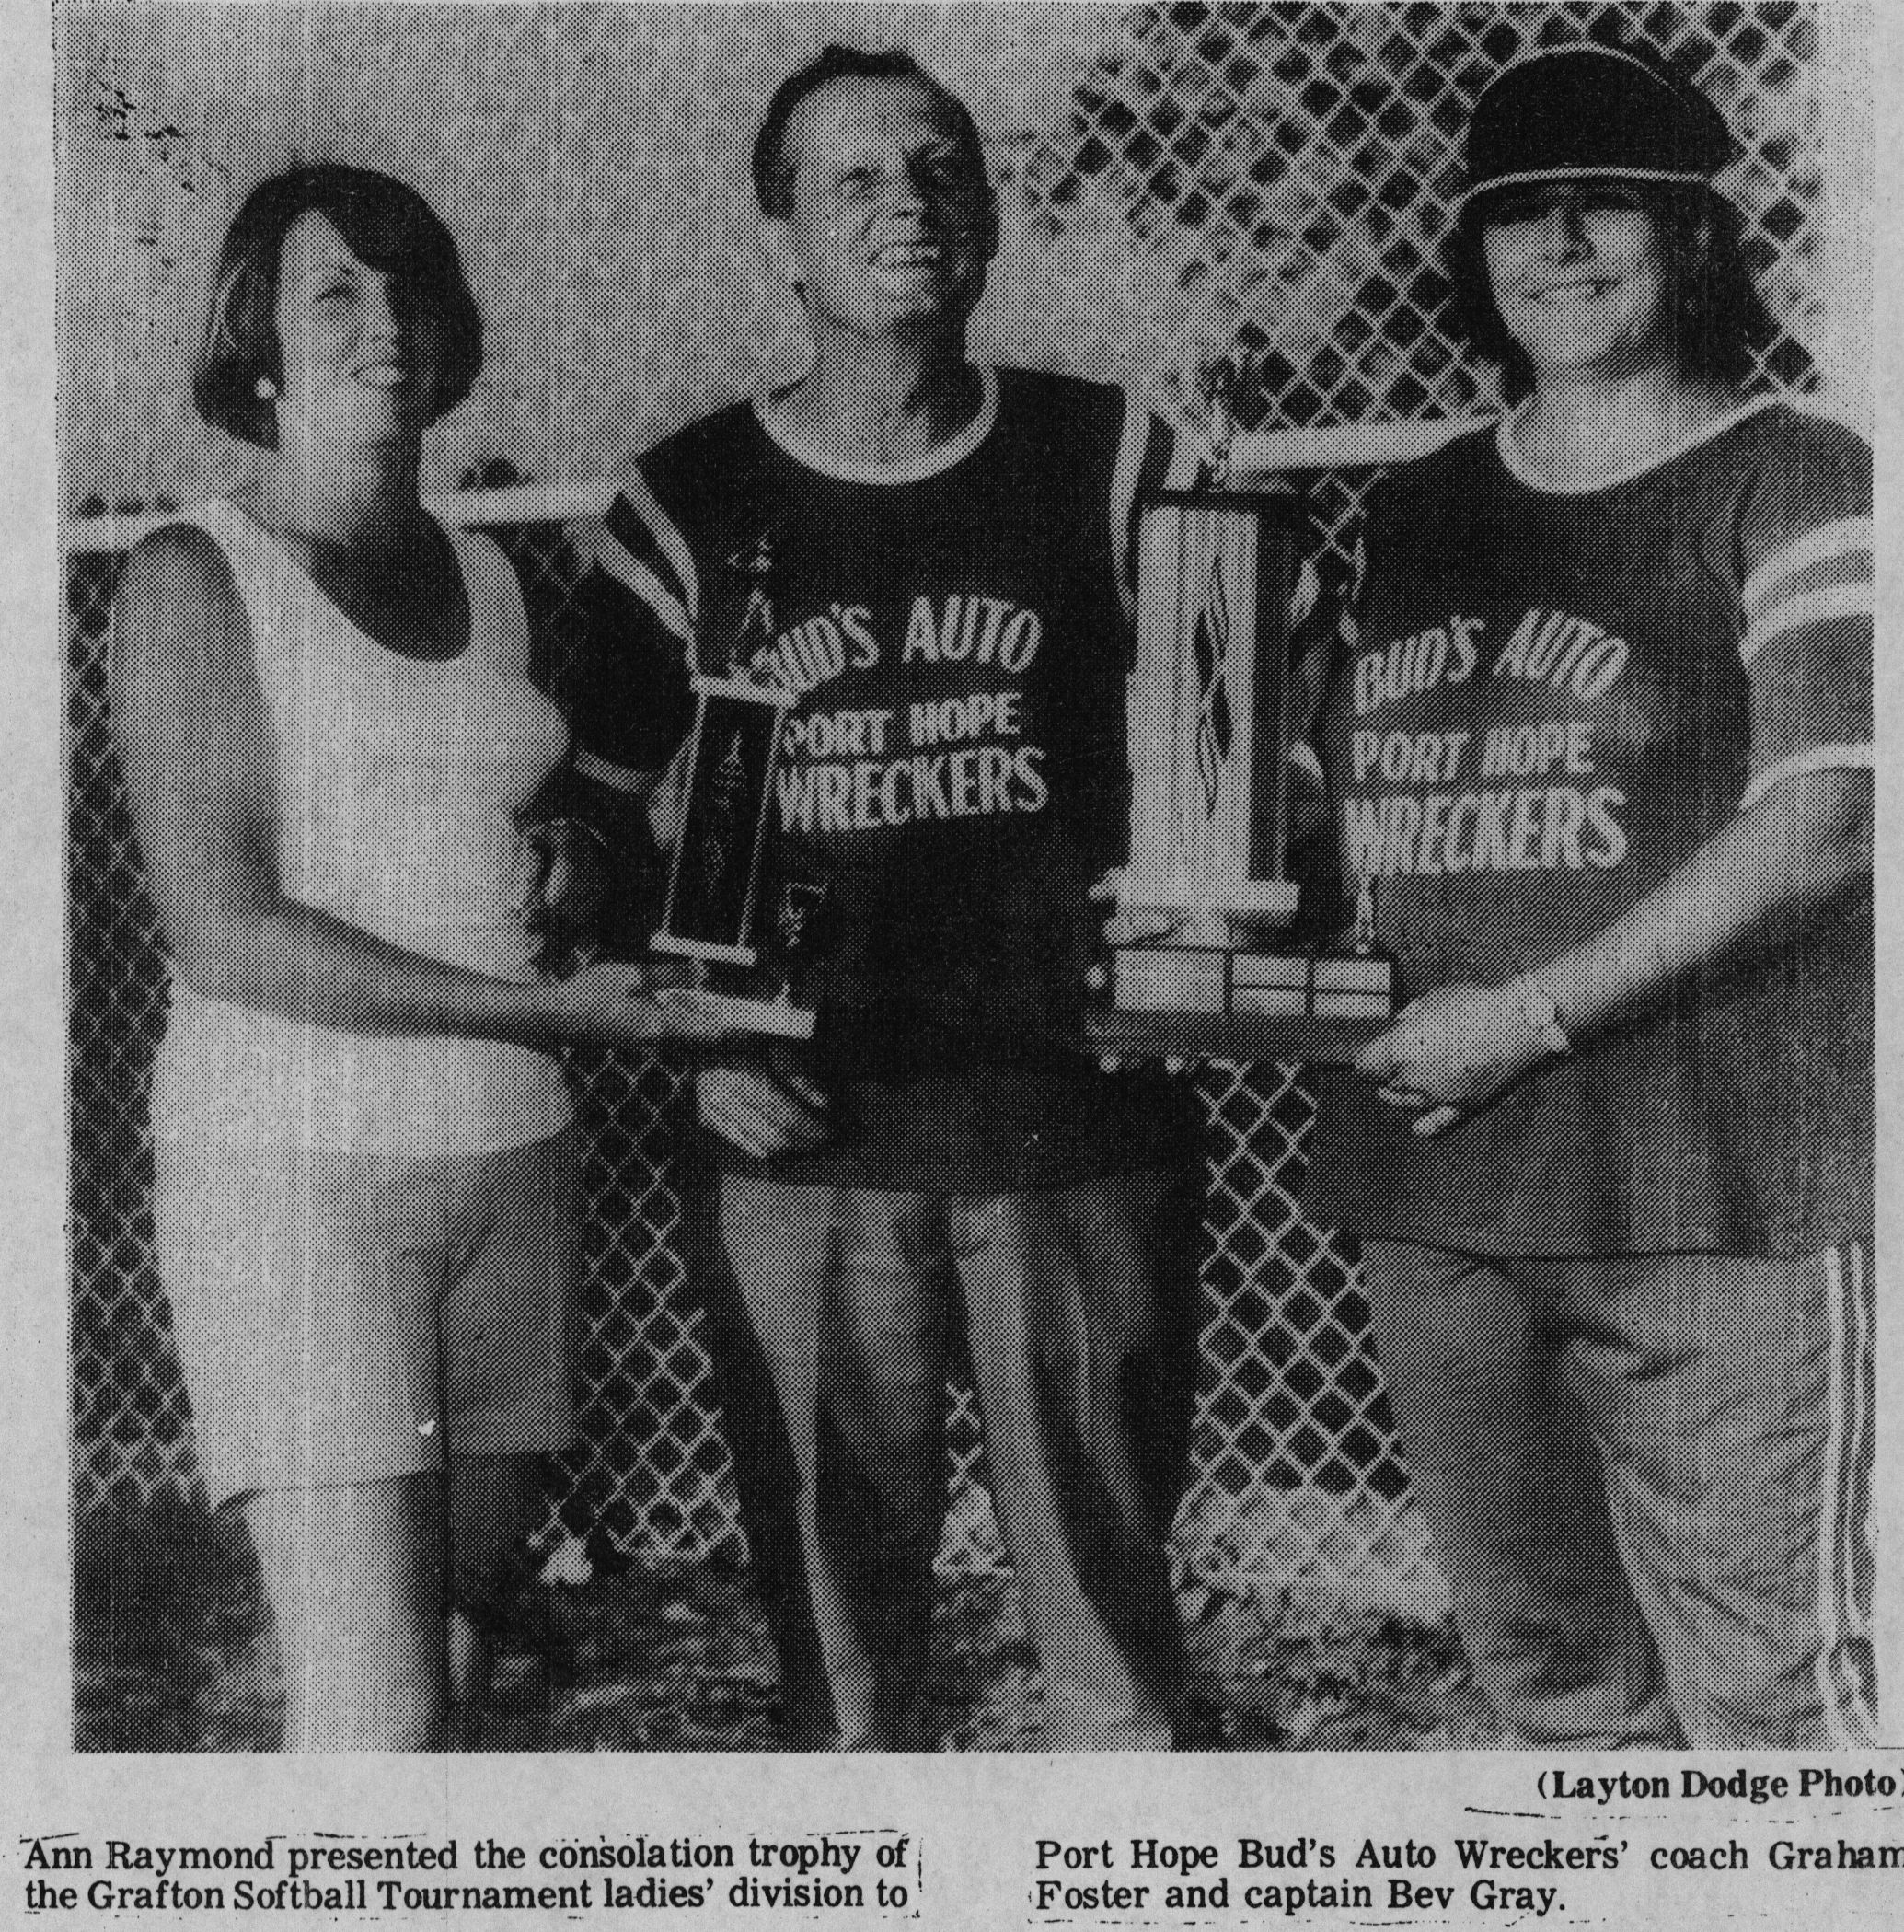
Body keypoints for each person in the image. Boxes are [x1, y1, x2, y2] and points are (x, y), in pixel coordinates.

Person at [559, 47, 1212, 1749]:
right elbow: (589, 821)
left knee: (1116, 1664)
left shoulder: (1117, 454)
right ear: (777, 234)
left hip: (1073, 1120)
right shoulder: (685, 500)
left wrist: (1199, 957)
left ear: (989, 213)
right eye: (849, 179)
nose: (904, 205)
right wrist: (683, 1037)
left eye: (938, 168)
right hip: (802, 1137)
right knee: (840, 1674)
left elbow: (1265, 745)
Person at [109, 165, 732, 1750]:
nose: (381, 323)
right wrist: (549, 1013)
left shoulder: (489, 576)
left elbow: (491, 836)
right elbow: (227, 932)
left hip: (508, 1165)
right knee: (373, 1715)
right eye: (334, 294)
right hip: (294, 1172)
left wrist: (570, 864)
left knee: (457, 1655)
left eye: (408, 290)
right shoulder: (194, 575)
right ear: (257, 343)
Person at [1296, 45, 1875, 1747]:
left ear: (1691, 235)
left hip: (1714, 1183)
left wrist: (1531, 1014)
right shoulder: (1416, 510)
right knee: (1555, 1694)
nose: (1556, 247)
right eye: (1512, 218)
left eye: (1599, 205)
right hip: (1442, 1182)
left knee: (1775, 1706)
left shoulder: (1799, 473)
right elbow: (1345, 811)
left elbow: (1828, 824)